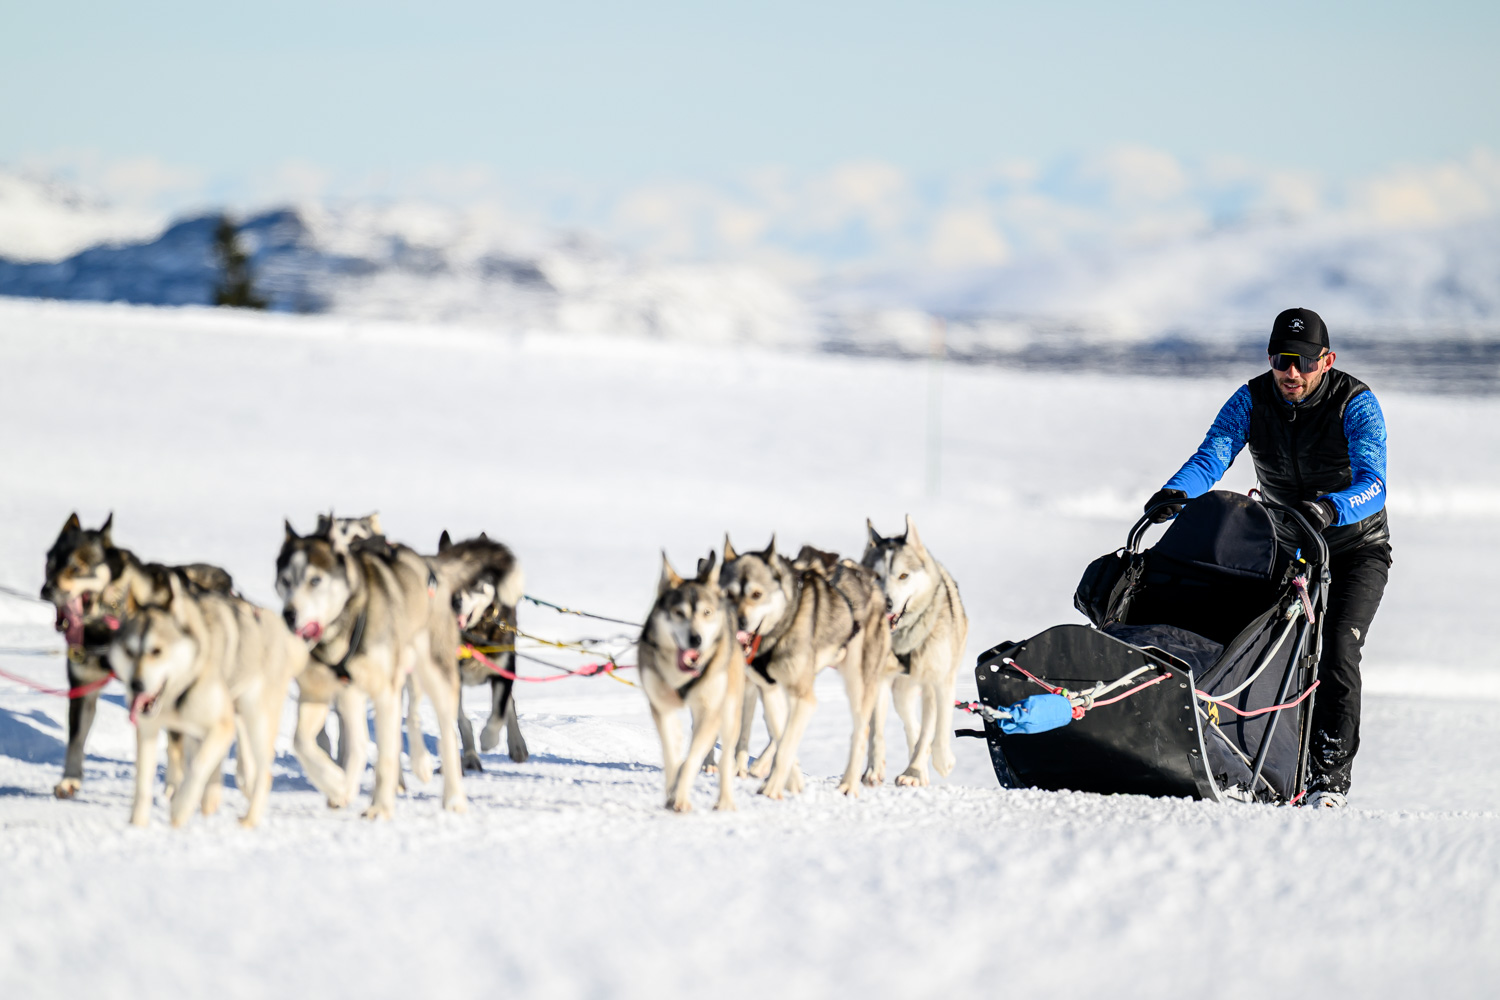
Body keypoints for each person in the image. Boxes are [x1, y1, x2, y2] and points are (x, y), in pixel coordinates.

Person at [1143, 307, 1390, 809]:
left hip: (1353, 548)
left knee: (1337, 649)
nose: (1291, 373)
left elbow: (1375, 485)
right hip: (1287, 543)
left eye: (1303, 361)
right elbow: (1213, 454)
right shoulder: (1251, 398)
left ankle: (1328, 782)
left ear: (1328, 360)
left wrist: (1329, 508)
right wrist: (1176, 492)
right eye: (1281, 359)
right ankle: (1249, 761)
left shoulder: (1355, 404)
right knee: (1252, 644)